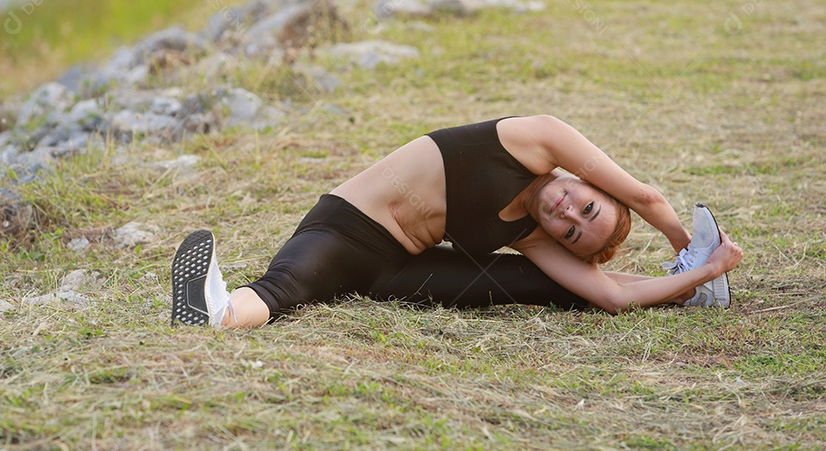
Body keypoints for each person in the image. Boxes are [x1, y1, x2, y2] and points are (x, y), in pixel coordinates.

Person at [170, 115, 743, 328]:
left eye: (573, 232)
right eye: (586, 205)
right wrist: (689, 243)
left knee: (554, 289)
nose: (568, 214)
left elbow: (610, 296)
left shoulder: (532, 236)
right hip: (346, 231)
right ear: (589, 182)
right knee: (286, 286)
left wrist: (706, 270)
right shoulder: (537, 137)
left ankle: (691, 293)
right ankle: (217, 310)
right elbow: (642, 193)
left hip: (403, 270)